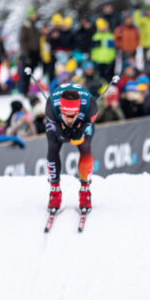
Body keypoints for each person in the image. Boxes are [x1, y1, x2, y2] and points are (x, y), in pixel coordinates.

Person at [44, 85, 98, 213]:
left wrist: (80, 130)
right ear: (61, 110)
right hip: (57, 122)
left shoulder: (91, 106)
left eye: (73, 115)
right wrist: (61, 133)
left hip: (82, 121)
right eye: (66, 115)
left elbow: (87, 123)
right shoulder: (51, 106)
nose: (69, 119)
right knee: (53, 146)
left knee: (85, 147)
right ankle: (55, 190)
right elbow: (55, 128)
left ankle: (85, 190)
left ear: (78, 111)